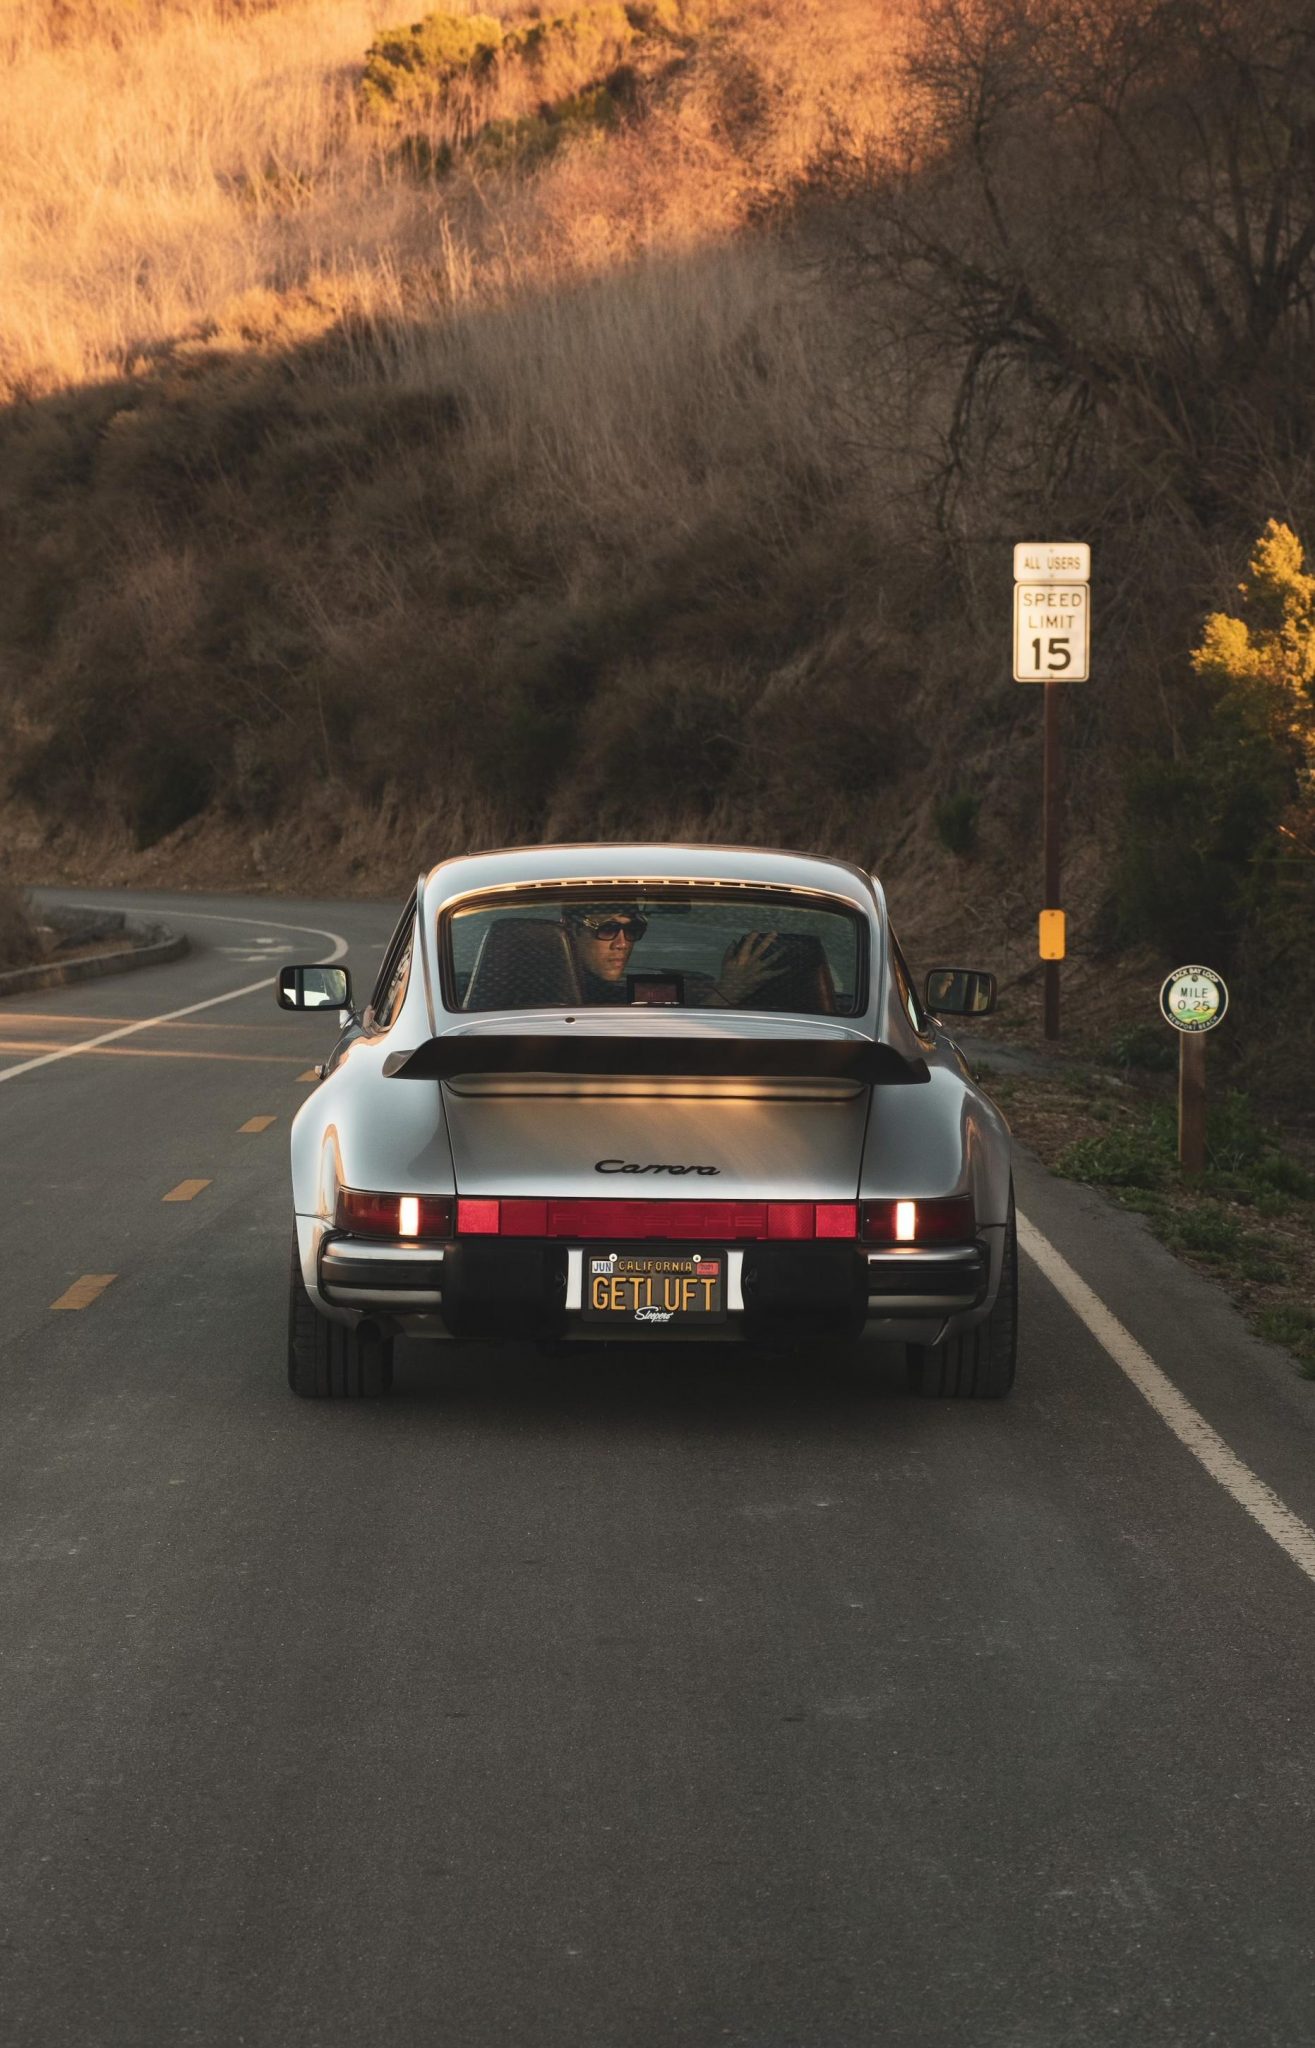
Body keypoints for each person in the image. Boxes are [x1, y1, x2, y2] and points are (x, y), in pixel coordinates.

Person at [561, 904, 784, 1007]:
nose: (622, 944)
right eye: (608, 930)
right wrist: (725, 994)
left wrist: (701, 990)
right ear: (572, 930)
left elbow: (625, 992)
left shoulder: (597, 988)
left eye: (632, 931)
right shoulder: (564, 997)